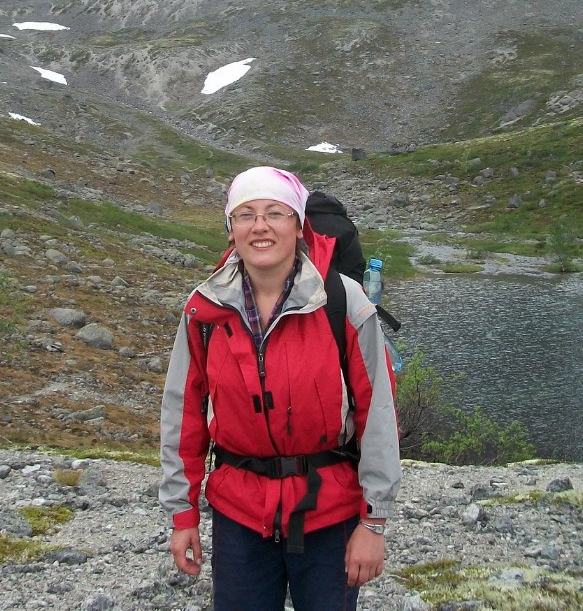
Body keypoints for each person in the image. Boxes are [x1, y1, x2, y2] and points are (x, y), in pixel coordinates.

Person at [159, 166, 401, 611]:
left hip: (329, 513)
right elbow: (183, 416)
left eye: (276, 212)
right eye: (246, 214)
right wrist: (182, 511)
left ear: (298, 224)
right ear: (230, 229)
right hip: (239, 516)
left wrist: (375, 522)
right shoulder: (204, 309)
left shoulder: (344, 302)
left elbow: (377, 416)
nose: (261, 226)